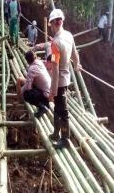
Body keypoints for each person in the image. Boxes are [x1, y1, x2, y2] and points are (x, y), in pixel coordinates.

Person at [48, 8, 81, 148]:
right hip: (66, 78)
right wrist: (77, 64)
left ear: (53, 24)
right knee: (57, 107)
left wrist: (52, 91)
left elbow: (55, 69)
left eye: (50, 24)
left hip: (59, 81)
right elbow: (74, 53)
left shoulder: (55, 43)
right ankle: (56, 132)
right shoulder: (69, 35)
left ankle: (65, 138)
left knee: (63, 110)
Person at [16, 51, 51, 118]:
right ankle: (42, 104)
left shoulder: (31, 69)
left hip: (46, 95)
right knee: (21, 80)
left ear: (27, 61)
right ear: (35, 57)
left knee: (27, 94)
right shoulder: (39, 62)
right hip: (50, 90)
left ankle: (42, 106)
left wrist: (21, 92)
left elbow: (28, 87)